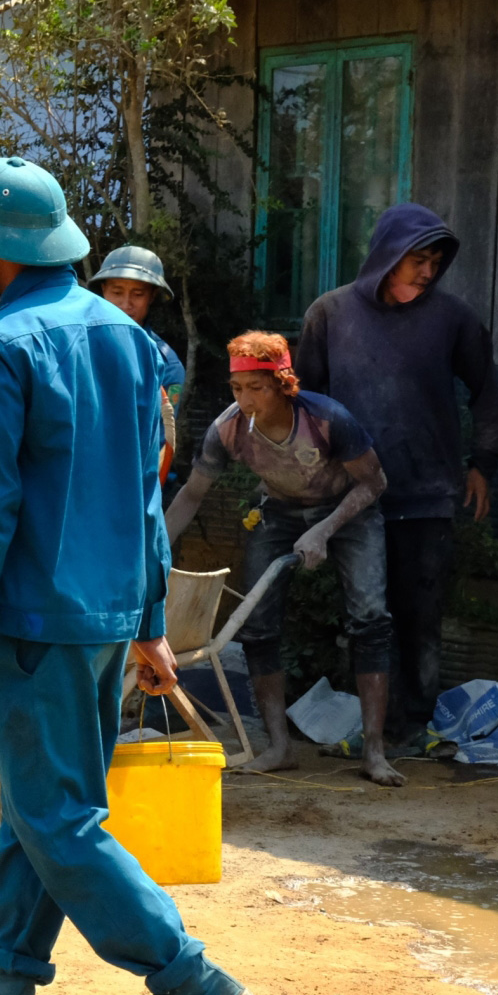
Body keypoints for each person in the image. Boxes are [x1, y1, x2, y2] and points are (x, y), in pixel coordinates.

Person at [0, 156, 255, 995]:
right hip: (107, 616)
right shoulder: (128, 341)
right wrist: (149, 622)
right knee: (43, 805)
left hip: (39, 619)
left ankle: (191, 984)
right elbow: (149, 495)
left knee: (59, 817)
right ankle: (9, 984)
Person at [294, 204, 498, 752]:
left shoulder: (452, 318)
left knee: (420, 614)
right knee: (367, 613)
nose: (427, 272)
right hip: (354, 495)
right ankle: (374, 729)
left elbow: (486, 391)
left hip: (428, 491)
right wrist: (308, 476)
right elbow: (305, 402)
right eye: (418, 259)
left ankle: (411, 726)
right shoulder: (330, 314)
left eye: (435, 262)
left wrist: (483, 464)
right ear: (387, 254)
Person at [164, 332, 400, 786]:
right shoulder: (228, 429)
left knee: (370, 618)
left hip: (348, 511)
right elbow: (192, 494)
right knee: (256, 623)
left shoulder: (327, 419)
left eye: (258, 387)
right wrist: (153, 548)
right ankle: (278, 746)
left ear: (283, 384)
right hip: (280, 513)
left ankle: (374, 752)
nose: (245, 399)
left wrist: (326, 529)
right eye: (237, 388)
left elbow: (375, 483)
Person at [88, 246, 186, 411]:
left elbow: (161, 433)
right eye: (117, 293)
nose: (126, 304)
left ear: (152, 296)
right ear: (104, 290)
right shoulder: (78, 344)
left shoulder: (166, 366)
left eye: (138, 294)